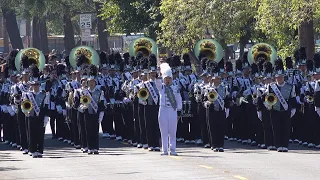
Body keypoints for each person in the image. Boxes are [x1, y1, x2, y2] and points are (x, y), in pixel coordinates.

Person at [21, 66, 49, 158]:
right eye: (34, 85)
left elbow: (45, 106)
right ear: (31, 86)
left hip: (40, 116)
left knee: (40, 133)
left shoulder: (43, 94)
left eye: (37, 85)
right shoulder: (27, 95)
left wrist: (46, 117)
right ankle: (32, 150)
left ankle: (40, 150)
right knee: (31, 133)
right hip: (31, 115)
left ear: (39, 85)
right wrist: (26, 112)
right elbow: (24, 105)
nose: (36, 87)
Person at [156, 62, 182, 156]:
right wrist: (159, 73)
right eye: (166, 78)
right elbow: (157, 82)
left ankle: (173, 149)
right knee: (163, 131)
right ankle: (164, 150)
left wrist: (179, 111)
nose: (168, 80)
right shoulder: (161, 87)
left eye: (169, 78)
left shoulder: (175, 88)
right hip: (163, 110)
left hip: (172, 110)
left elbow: (179, 100)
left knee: (172, 131)